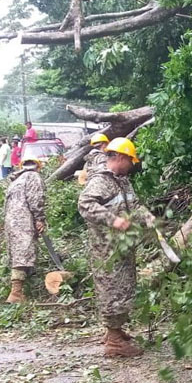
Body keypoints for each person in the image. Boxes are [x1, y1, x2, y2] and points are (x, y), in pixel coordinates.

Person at [78, 137, 155, 358]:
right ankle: (113, 342)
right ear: (120, 157)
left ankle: (116, 331)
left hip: (123, 247)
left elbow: (135, 204)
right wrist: (113, 220)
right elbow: (85, 204)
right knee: (112, 289)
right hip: (107, 249)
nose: (133, 164)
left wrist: (147, 216)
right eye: (130, 160)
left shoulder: (123, 180)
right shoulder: (101, 181)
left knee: (124, 286)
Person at [4, 158, 47, 303]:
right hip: (23, 218)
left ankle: (21, 290)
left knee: (18, 252)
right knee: (23, 253)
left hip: (11, 220)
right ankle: (16, 293)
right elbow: (36, 199)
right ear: (38, 167)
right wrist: (39, 218)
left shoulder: (16, 180)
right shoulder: (33, 176)